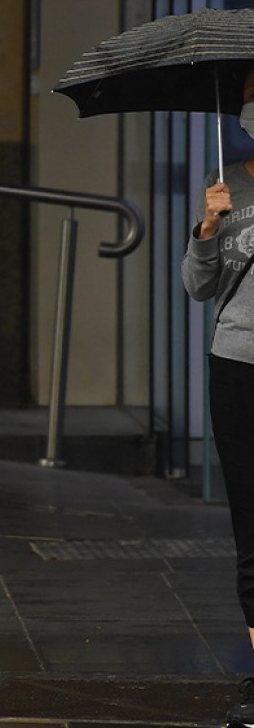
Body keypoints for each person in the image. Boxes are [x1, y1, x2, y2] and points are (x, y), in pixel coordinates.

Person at [182, 66, 254, 728]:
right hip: (235, 366)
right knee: (250, 528)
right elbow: (197, 288)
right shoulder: (225, 183)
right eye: (253, 98)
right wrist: (206, 229)